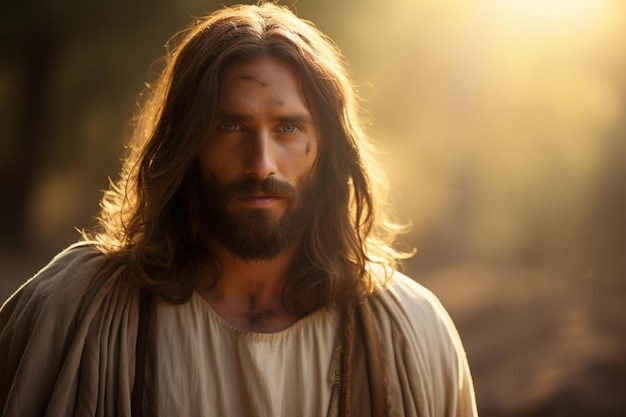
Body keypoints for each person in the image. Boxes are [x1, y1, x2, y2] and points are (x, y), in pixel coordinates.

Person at [0, 3, 477, 416]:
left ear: (327, 149)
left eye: (288, 129)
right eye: (230, 126)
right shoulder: (69, 314)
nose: (261, 164)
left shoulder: (413, 332)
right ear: (184, 143)